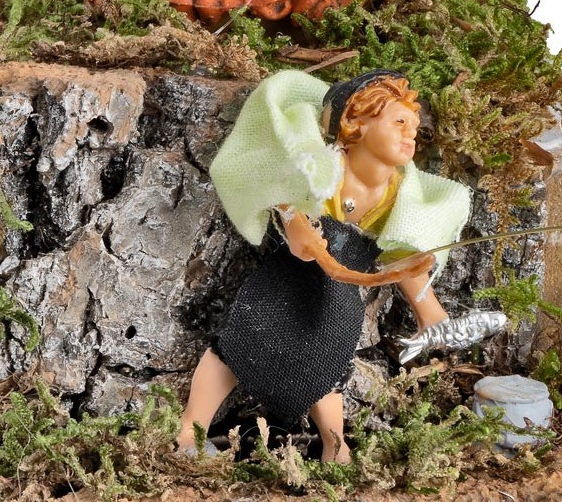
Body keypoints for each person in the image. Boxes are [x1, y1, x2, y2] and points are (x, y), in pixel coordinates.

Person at [176, 68, 477, 463]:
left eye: (415, 127)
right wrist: (295, 223)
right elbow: (284, 188)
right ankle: (189, 429)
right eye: (399, 122)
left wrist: (428, 309)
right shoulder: (325, 165)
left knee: (327, 365)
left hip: (340, 294)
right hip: (289, 277)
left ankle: (335, 444)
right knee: (238, 344)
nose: (411, 135)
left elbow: (404, 253)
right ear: (357, 122)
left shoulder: (401, 194)